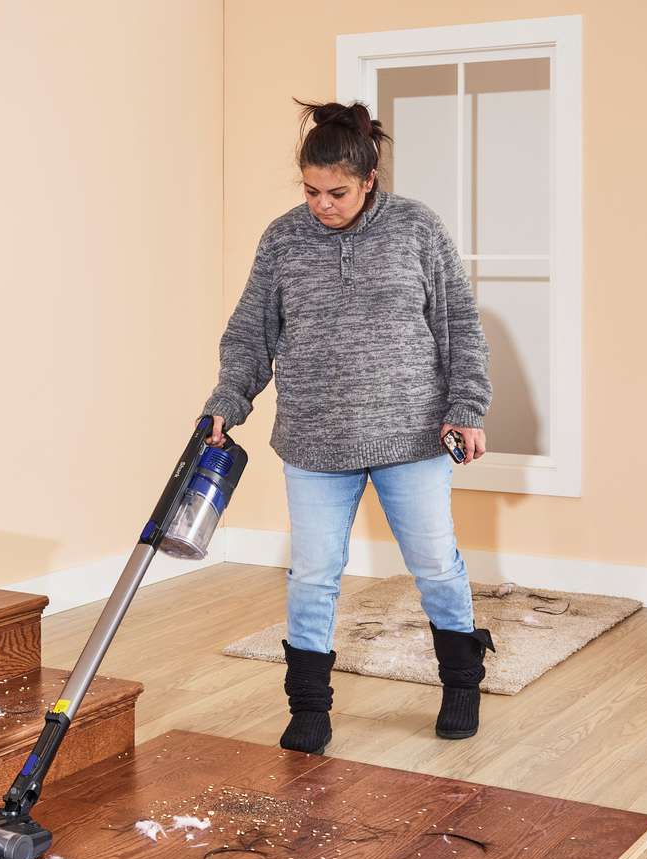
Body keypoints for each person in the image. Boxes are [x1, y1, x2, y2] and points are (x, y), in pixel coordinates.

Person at [201, 99, 495, 755]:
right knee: (312, 573)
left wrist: (466, 408)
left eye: (337, 192)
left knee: (434, 564)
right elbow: (253, 335)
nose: (322, 204)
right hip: (313, 438)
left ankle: (461, 681)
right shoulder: (283, 239)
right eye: (311, 191)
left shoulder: (417, 230)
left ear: (369, 182)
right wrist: (229, 399)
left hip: (411, 435)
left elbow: (459, 329)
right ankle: (309, 708)